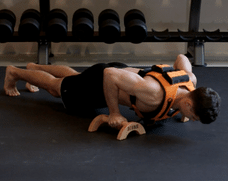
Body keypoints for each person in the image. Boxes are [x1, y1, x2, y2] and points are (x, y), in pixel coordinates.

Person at [4, 54, 221, 129]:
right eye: (192, 116)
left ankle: (34, 68)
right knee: (56, 88)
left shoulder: (189, 80)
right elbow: (109, 75)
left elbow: (182, 58)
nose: (190, 120)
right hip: (105, 81)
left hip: (125, 74)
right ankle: (15, 73)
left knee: (72, 76)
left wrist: (180, 110)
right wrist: (114, 113)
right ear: (189, 104)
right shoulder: (153, 93)